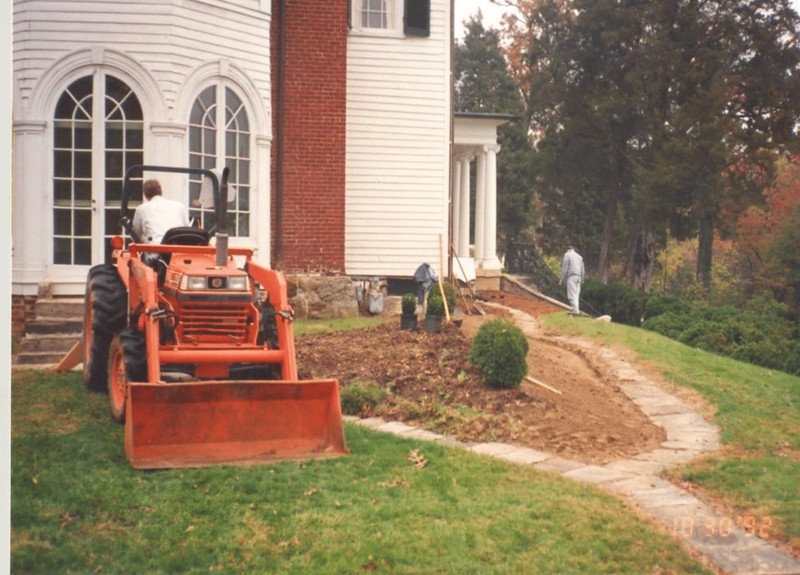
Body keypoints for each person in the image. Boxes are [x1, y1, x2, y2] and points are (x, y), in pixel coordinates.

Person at [132, 179, 191, 244]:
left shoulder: (141, 209)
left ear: (145, 195)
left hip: (154, 250)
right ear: (161, 192)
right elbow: (187, 230)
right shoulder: (179, 206)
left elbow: (135, 235)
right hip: (177, 248)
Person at [561, 245, 585, 315]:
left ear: (568, 250)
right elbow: (583, 270)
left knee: (571, 295)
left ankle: (575, 310)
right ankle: (576, 310)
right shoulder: (579, 257)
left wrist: (563, 278)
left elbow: (565, 267)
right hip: (579, 277)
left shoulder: (567, 255)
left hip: (571, 277)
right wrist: (582, 279)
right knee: (576, 295)